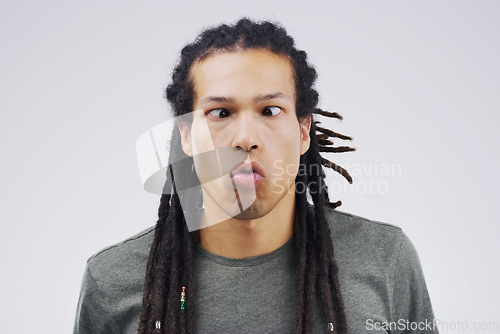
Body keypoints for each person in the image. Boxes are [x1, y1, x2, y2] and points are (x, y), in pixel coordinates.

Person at [73, 18, 438, 334]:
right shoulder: (112, 281)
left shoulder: (385, 259)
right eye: (220, 113)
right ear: (185, 136)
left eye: (270, 110)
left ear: (303, 131)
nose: (246, 138)